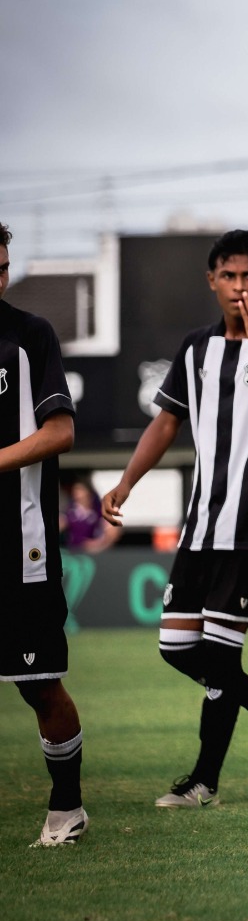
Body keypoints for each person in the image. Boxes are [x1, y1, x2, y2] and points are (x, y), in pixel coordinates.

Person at [103, 229, 248, 809]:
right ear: (212, 281)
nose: (240, 286)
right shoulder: (196, 348)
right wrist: (125, 482)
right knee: (177, 649)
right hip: (202, 525)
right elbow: (167, 423)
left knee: (221, 657)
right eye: (230, 276)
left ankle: (204, 783)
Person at [0, 223, 87, 847]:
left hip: (20, 548)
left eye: (2, 266)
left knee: (39, 685)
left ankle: (67, 807)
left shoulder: (29, 336)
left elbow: (60, 432)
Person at [61, 477, 118, 553]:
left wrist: (99, 544)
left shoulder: (98, 511)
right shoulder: (70, 511)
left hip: (93, 553)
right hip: (74, 552)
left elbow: (113, 531)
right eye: (75, 491)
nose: (77, 494)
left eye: (80, 490)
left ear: (88, 492)